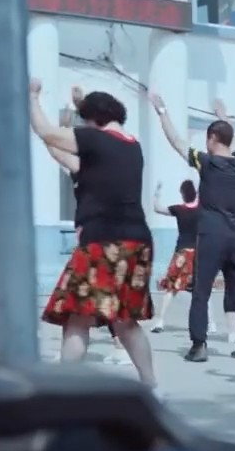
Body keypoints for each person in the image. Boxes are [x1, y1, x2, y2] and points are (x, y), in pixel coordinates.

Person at [28, 79, 158, 387]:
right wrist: (80, 107)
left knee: (77, 318)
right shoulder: (131, 146)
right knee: (126, 321)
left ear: (93, 120)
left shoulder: (95, 140)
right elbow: (62, 150)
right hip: (137, 241)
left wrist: (32, 97)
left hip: (103, 241)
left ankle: (65, 388)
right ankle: (150, 385)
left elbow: (48, 133)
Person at [152, 92, 235, 362]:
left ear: (211, 138)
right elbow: (234, 143)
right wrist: (224, 118)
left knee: (201, 291)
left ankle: (199, 346)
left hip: (211, 235)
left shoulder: (207, 162)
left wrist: (162, 112)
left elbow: (176, 142)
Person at [153, 180, 201, 330]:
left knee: (171, 287)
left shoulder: (179, 210)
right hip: (198, 253)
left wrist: (157, 193)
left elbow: (157, 209)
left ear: (182, 194)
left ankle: (160, 320)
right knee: (201, 289)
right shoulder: (202, 209)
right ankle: (210, 323)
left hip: (182, 252)